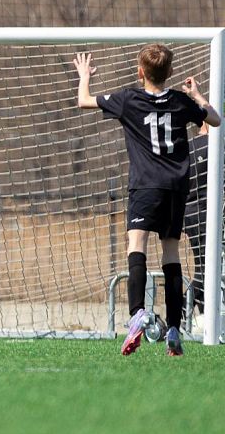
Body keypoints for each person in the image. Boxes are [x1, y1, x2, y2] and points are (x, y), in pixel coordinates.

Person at [74, 44, 220, 357]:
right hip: (176, 188)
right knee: (171, 252)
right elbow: (216, 120)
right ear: (170, 74)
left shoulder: (129, 99)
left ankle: (138, 313)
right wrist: (196, 95)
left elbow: (83, 101)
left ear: (141, 72)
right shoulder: (181, 102)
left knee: (136, 245)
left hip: (145, 186)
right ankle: (173, 328)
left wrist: (84, 75)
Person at [184, 122, 209, 315]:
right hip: (203, 214)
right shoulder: (212, 146)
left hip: (188, 214)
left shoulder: (187, 145)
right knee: (207, 268)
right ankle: (181, 310)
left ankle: (205, 313)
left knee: (206, 265)